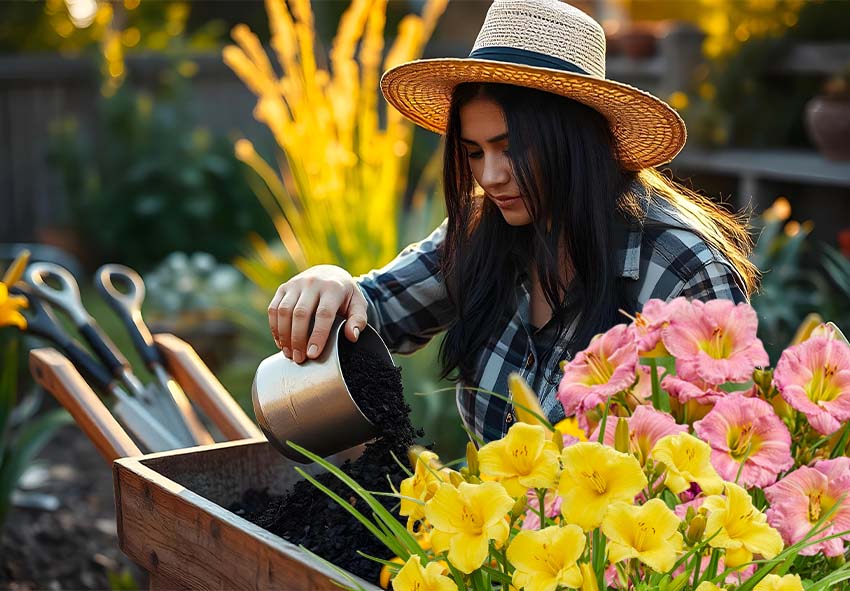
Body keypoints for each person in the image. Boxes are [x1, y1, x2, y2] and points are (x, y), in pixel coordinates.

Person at [267, 0, 759, 443]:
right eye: (474, 153)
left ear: (575, 138)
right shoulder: (487, 232)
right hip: (486, 532)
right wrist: (330, 283)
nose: (491, 177)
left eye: (512, 147)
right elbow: (374, 310)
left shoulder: (678, 269)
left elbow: (724, 461)